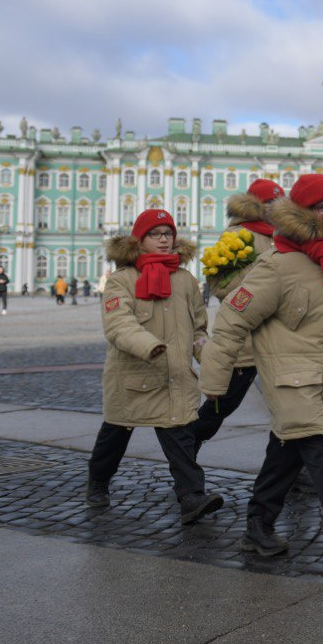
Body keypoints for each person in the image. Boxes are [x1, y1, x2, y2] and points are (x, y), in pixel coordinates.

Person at [198, 174, 323, 569]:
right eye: (322, 208)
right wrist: (215, 383)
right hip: (288, 377)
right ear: (301, 214)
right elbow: (232, 321)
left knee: (287, 450)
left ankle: (258, 525)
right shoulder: (277, 266)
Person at [86, 209, 223, 525]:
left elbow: (199, 329)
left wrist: (212, 360)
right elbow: (118, 323)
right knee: (115, 437)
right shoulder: (122, 280)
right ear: (140, 239)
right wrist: (148, 345)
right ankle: (98, 481)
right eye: (155, 234)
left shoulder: (186, 280)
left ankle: (191, 497)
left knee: (180, 438)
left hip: (174, 376)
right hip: (132, 376)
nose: (164, 239)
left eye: (168, 233)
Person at [191, 179, 284, 450]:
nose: (275, 209)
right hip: (245, 343)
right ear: (254, 205)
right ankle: (185, 449)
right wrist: (263, 290)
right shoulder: (238, 235)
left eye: (279, 203)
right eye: (269, 203)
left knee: (288, 410)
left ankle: (291, 475)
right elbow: (220, 284)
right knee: (220, 408)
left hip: (278, 341)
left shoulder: (283, 236)